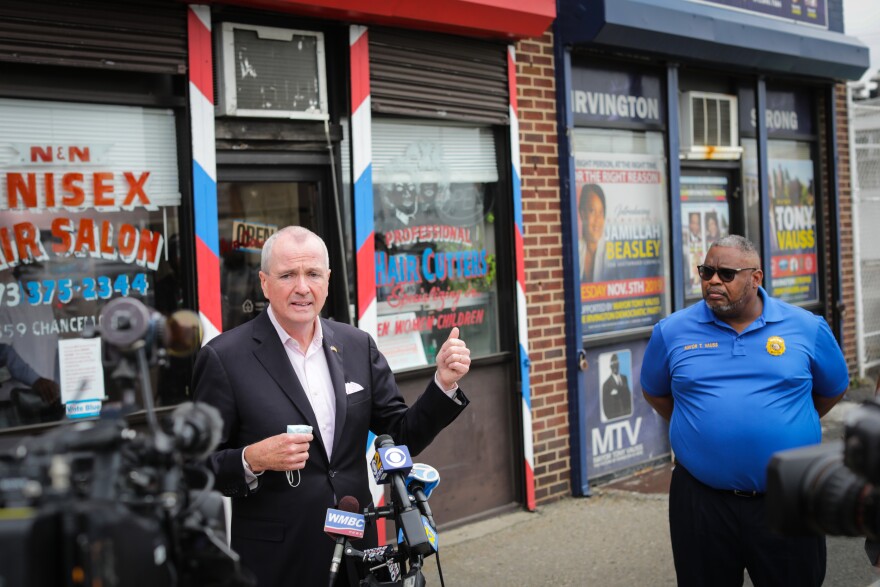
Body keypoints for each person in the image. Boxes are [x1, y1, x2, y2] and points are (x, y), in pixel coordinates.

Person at [192, 226, 471, 587]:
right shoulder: (224, 357)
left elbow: (401, 434)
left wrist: (443, 384)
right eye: (288, 275)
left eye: (312, 274)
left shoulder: (358, 345)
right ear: (264, 283)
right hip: (277, 560)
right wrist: (251, 459)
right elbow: (195, 466)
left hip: (358, 552)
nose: (302, 287)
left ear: (328, 280)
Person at [640, 234, 848, 586]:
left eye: (726, 273)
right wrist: (700, 429)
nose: (713, 281)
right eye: (707, 272)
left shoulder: (807, 328)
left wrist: (787, 424)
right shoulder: (671, 332)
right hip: (701, 502)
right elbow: (655, 392)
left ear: (756, 278)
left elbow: (832, 390)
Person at [578, 183, 607, 282]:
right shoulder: (576, 250)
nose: (597, 219)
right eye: (592, 211)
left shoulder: (611, 254)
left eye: (601, 213)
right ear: (582, 214)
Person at [601, 353, 632, 421]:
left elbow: (629, 396)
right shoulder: (606, 384)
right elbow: (605, 405)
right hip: (615, 418)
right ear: (610, 366)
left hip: (626, 415)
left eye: (617, 363)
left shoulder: (624, 378)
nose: (615, 366)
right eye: (613, 363)